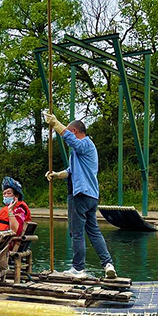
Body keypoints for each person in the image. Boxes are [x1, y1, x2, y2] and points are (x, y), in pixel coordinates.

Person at [44, 113, 117, 279]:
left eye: (71, 133)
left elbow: (71, 140)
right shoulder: (80, 153)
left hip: (80, 195)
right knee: (94, 231)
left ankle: (78, 268)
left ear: (75, 131)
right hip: (91, 196)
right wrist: (56, 175)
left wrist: (56, 124)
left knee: (76, 232)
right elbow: (70, 171)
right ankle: (108, 264)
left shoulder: (85, 144)